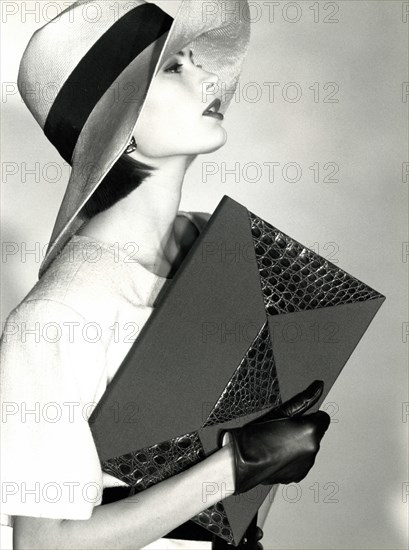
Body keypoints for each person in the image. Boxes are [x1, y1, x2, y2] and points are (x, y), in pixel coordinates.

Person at [0, 1, 331, 549]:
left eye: (200, 64)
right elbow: (45, 543)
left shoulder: (233, 254)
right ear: (118, 127)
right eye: (176, 68)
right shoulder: (56, 318)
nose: (211, 81)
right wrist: (235, 466)